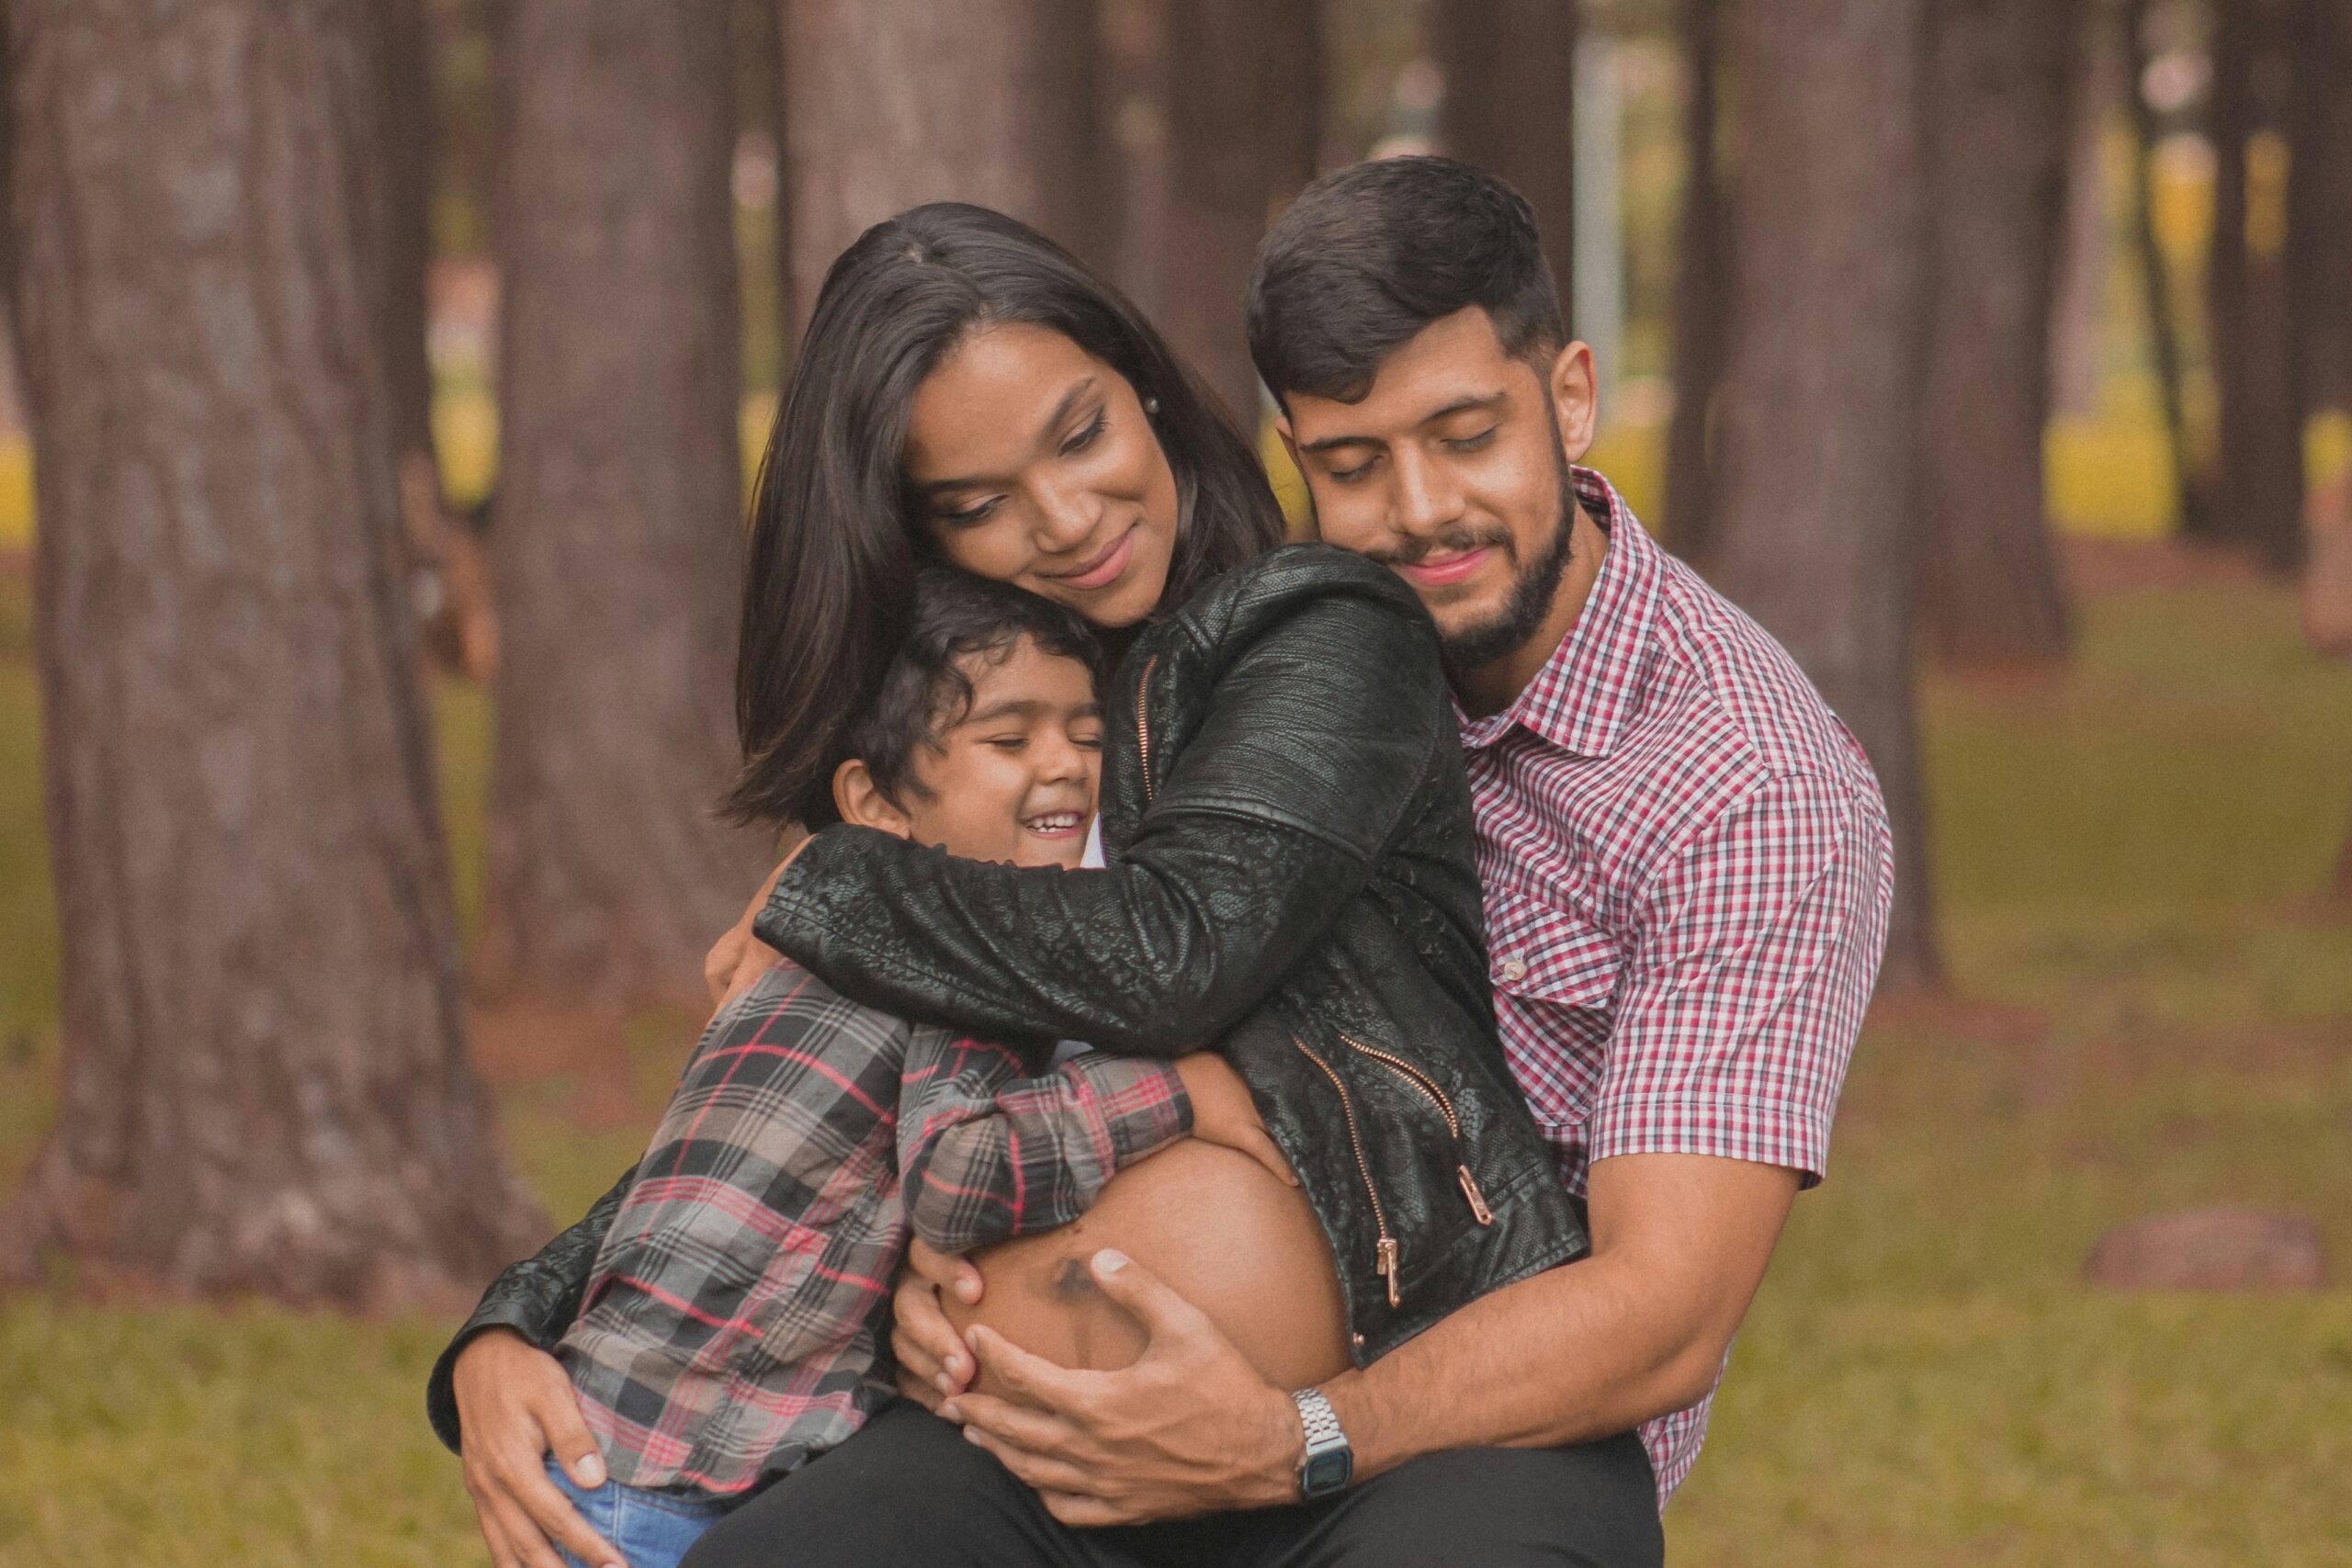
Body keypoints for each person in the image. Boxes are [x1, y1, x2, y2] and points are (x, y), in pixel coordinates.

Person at [439, 193, 1612, 1568]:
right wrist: (519, 1313)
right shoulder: (978, 758)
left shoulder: (1317, 626)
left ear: (1151, 394)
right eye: (979, 503)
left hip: (1389, 1404)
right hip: (1025, 1448)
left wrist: (836, 885)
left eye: (1081, 433)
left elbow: (1184, 946)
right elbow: (797, 1095)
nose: (1064, 519)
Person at [480, 568, 1290, 1568]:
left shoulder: (818, 944)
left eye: (1087, 736)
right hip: (669, 1486)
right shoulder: (958, 949)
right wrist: (1179, 1094)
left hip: (618, 1440)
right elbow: (959, 1179)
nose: (1066, 767)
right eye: (1009, 739)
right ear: (874, 804)